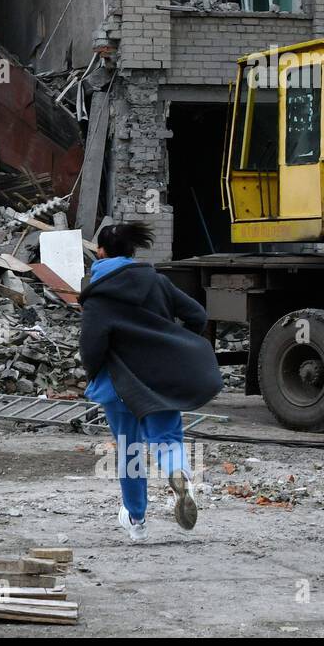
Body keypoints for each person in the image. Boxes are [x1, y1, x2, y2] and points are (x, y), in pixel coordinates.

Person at [78, 221, 223, 541]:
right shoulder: (158, 282)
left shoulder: (97, 294)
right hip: (160, 380)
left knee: (129, 449)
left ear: (100, 252)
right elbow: (197, 315)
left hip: (118, 385)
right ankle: (179, 473)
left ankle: (136, 519)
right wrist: (174, 347)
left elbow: (91, 345)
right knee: (167, 437)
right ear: (132, 251)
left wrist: (94, 373)